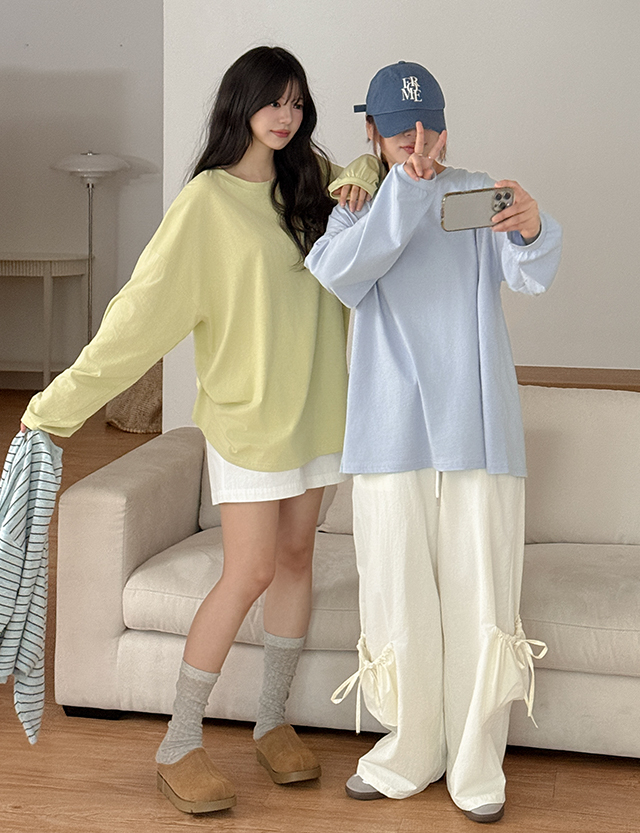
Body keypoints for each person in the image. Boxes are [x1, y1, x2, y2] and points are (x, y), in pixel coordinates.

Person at [20, 46, 373, 815]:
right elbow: (140, 315)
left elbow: (368, 186)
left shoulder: (310, 181)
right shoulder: (206, 202)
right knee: (247, 570)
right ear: (240, 104)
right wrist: (56, 405)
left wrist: (365, 173)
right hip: (246, 419)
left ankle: (271, 721)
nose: (287, 116)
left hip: (320, 411)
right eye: (273, 101)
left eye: (298, 103)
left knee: (297, 558)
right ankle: (179, 741)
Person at [305, 60, 562, 823]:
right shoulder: (356, 209)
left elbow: (531, 272)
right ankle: (409, 748)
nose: (417, 144)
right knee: (396, 590)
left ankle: (477, 761)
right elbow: (341, 274)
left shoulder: (478, 194)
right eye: (400, 132)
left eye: (429, 130)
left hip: (477, 425)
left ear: (445, 129)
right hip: (389, 430)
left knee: (482, 591)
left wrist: (533, 225)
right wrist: (401, 194)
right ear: (373, 134)